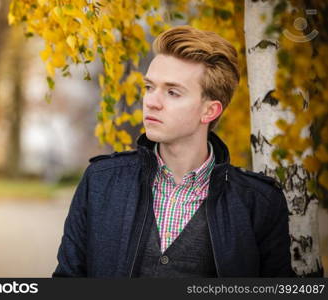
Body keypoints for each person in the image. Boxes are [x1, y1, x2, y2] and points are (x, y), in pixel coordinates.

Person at [52, 25, 295, 278]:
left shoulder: (259, 202)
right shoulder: (101, 181)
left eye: (172, 92)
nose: (151, 102)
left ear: (210, 111)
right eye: (149, 87)